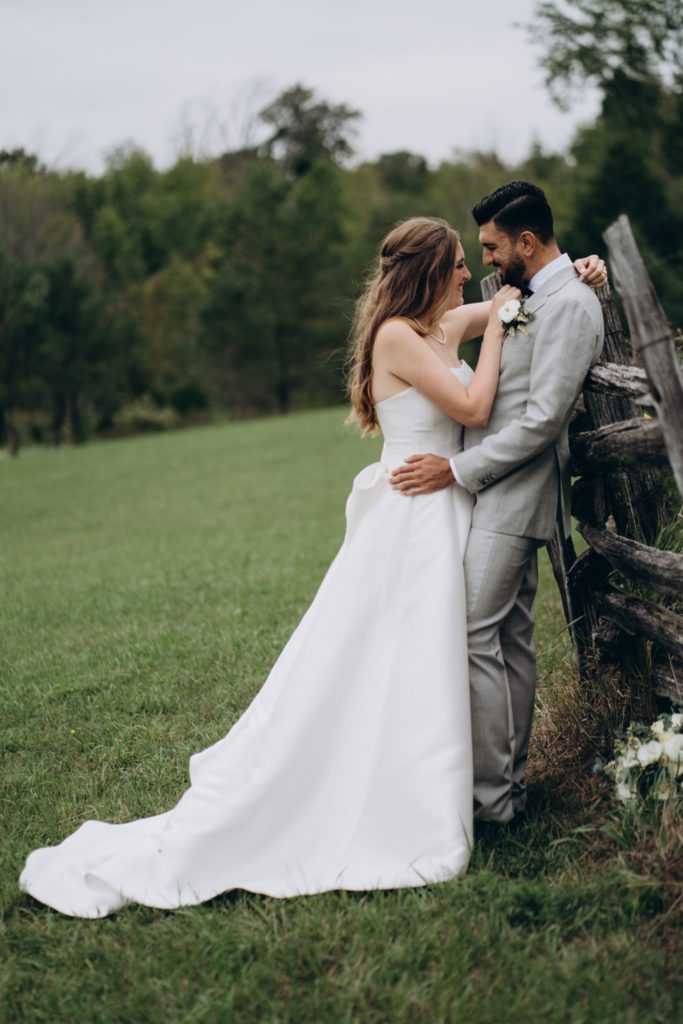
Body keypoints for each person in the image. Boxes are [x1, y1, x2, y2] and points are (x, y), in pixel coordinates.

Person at [19, 216, 605, 918]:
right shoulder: (398, 336)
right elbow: (477, 404)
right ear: (429, 271)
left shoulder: (440, 328)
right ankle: (395, 800)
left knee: (430, 660)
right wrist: (503, 330)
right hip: (411, 517)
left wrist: (578, 272)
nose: (464, 276)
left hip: (444, 511)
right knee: (378, 661)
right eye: (455, 264)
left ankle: (463, 791)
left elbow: (524, 299)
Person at [390, 183, 606, 827]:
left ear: (527, 243)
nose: (484, 259)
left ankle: (490, 801)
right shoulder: (532, 295)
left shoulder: (569, 305)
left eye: (490, 247)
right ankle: (504, 793)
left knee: (474, 632)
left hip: (515, 491)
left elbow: (542, 420)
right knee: (508, 638)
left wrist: (456, 469)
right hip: (495, 489)